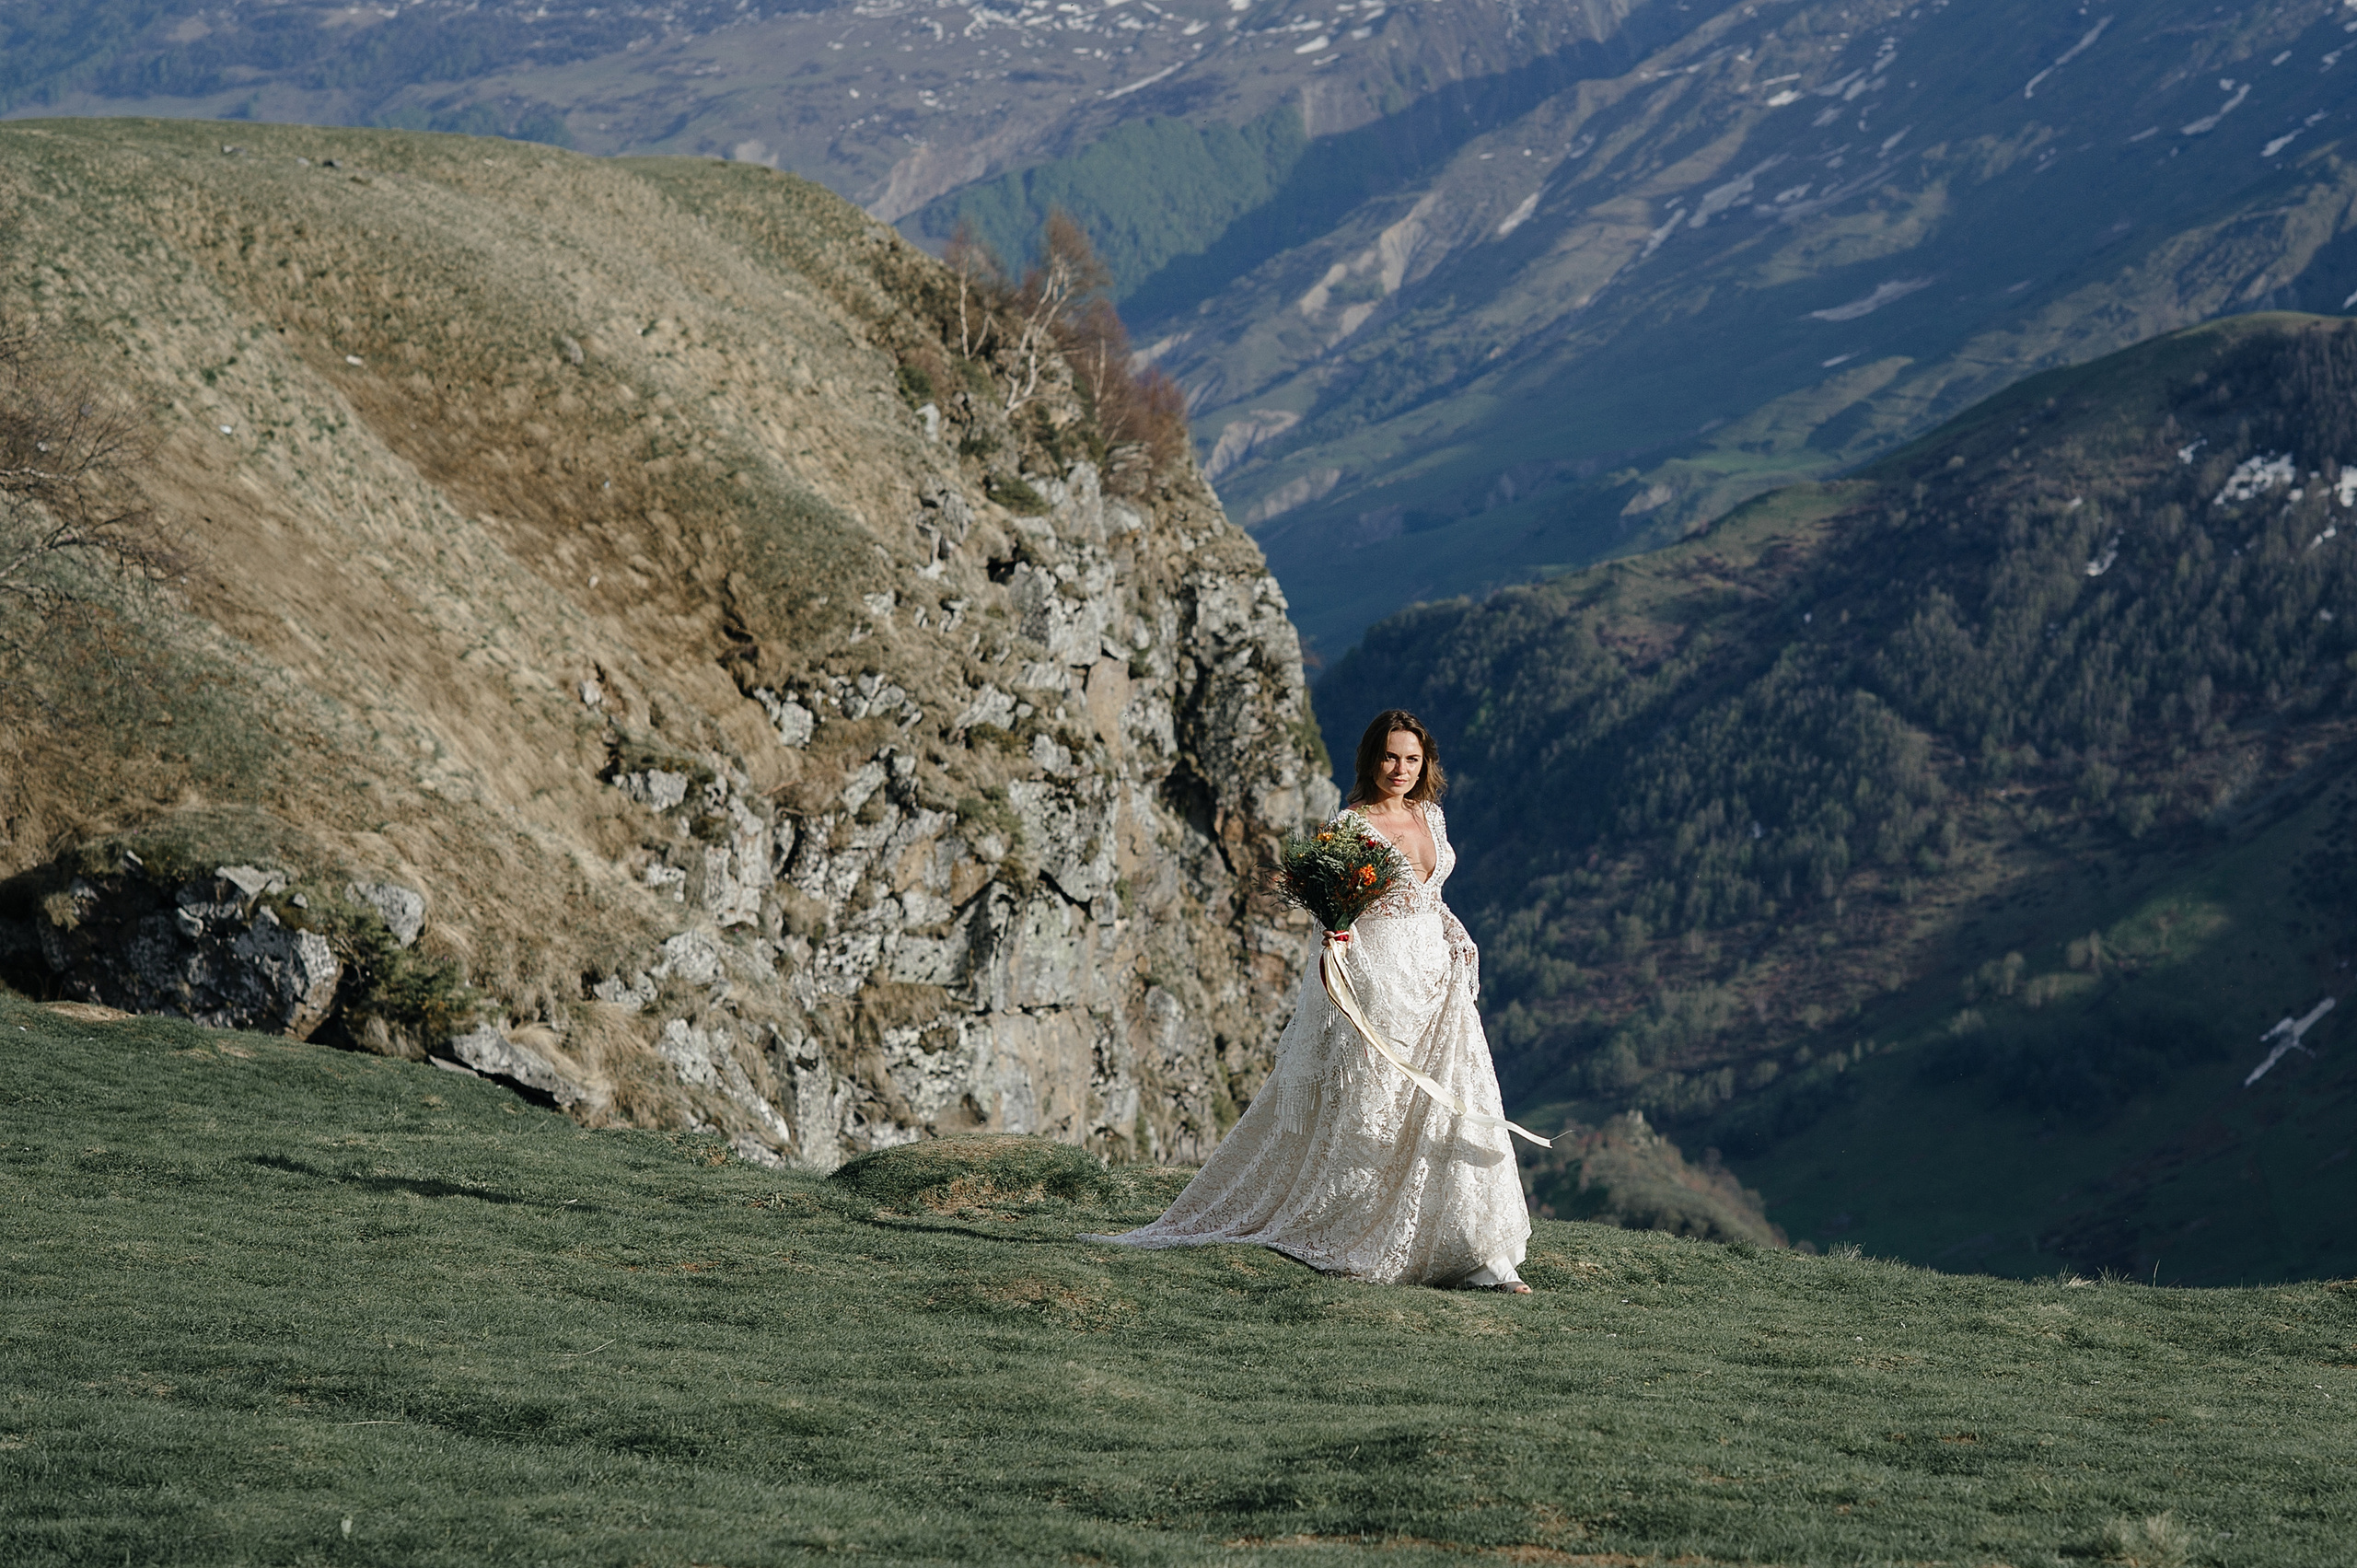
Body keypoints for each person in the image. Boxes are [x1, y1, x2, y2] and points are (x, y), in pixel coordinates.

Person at [1084, 710, 1532, 1292]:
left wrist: (1455, 936)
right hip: (1380, 977)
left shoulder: (1431, 816)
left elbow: (1428, 894)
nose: (1400, 769)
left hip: (1437, 976)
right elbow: (1339, 909)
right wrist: (1347, 955)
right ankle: (1365, 1229)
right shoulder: (1351, 823)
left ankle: (1483, 1258)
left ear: (1426, 765)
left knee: (1453, 1100)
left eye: (1412, 759)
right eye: (1391, 757)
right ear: (1372, 758)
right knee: (1382, 1104)